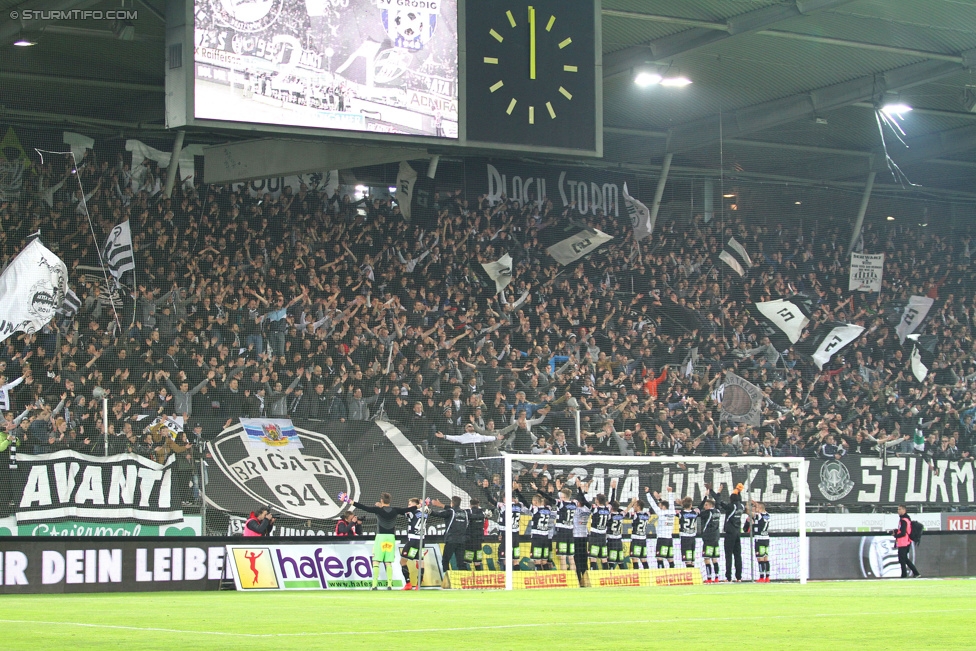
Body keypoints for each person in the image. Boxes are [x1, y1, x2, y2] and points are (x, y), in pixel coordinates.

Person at [339, 491, 408, 590]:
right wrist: (420, 505)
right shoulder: (395, 510)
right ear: (390, 501)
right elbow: (409, 509)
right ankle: (389, 585)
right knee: (388, 562)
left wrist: (348, 500)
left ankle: (374, 585)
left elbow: (363, 507)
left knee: (376, 561)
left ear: (381, 500)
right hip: (391, 538)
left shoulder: (378, 510)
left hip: (381, 537)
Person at [708, 482, 746, 583]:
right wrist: (738, 490)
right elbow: (738, 498)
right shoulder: (741, 506)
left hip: (730, 533)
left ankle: (728, 577)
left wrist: (712, 491)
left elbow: (719, 502)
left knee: (728, 555)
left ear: (731, 499)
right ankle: (739, 577)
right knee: (738, 555)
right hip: (738, 532)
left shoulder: (731, 507)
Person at [429, 495, 470, 573]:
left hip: (451, 540)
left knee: (445, 560)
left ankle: (447, 579)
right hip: (462, 541)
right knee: (461, 563)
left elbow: (438, 514)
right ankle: (465, 580)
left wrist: (428, 511)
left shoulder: (451, 512)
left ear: (452, 503)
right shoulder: (465, 512)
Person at [400, 497, 427, 590]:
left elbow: (404, 511)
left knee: (403, 561)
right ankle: (418, 584)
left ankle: (408, 583)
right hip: (422, 540)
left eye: (410, 504)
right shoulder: (424, 513)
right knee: (420, 562)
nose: (408, 506)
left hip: (412, 540)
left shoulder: (411, 512)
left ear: (415, 505)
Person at [648, 486, 676, 569]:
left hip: (662, 539)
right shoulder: (672, 512)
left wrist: (647, 494)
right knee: (670, 559)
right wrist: (670, 492)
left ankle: (661, 575)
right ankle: (672, 575)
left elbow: (652, 504)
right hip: (669, 539)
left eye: (660, 505)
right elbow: (671, 503)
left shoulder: (661, 513)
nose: (659, 506)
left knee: (659, 558)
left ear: (663, 507)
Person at [552, 486, 578, 573]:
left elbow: (550, 499)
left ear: (563, 496)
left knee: (562, 557)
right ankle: (574, 578)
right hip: (570, 532)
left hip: (562, 532)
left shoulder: (561, 504)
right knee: (571, 557)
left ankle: (566, 578)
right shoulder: (574, 504)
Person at [892, 504, 921, 579]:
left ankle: (905, 574)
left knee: (902, 559)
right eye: (898, 509)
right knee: (904, 558)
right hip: (905, 541)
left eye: (900, 509)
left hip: (903, 542)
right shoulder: (906, 519)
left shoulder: (903, 520)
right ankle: (914, 573)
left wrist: (896, 535)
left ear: (904, 510)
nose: (898, 511)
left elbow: (903, 532)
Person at [698, 494, 722, 583]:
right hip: (716, 538)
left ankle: (708, 578)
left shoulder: (708, 513)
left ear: (711, 505)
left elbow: (697, 512)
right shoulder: (718, 511)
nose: (705, 507)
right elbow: (719, 502)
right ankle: (716, 577)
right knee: (714, 559)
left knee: (707, 558)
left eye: (706, 505)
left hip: (708, 538)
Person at [528, 494, 553, 570]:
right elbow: (550, 501)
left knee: (537, 561)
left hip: (537, 538)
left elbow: (524, 503)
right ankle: (546, 579)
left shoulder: (535, 510)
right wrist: (550, 492)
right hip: (545, 538)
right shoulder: (548, 509)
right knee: (544, 561)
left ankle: (538, 580)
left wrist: (517, 492)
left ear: (535, 502)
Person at [750, 500, 771, 582]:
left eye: (756, 507)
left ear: (760, 508)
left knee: (760, 558)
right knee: (766, 558)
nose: (755, 508)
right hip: (766, 538)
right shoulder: (768, 515)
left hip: (759, 539)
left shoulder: (758, 515)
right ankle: (767, 577)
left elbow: (749, 512)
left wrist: (749, 504)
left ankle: (761, 577)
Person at [464, 498, 487, 571]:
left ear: (470, 505)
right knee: (477, 561)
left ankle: (466, 577)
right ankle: (478, 576)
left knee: (467, 560)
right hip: (479, 539)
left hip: (470, 539)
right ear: (478, 505)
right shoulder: (483, 513)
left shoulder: (468, 512)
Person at [628, 498, 651, 570]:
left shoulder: (635, 515)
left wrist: (631, 503)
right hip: (643, 540)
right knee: (643, 559)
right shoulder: (647, 515)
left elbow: (624, 513)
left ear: (638, 506)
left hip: (636, 540)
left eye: (634, 505)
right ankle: (648, 575)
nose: (633, 507)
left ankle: (637, 575)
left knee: (635, 559)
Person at [677, 496, 699, 569]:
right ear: (691, 505)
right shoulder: (695, 513)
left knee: (687, 558)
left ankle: (690, 575)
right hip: (693, 537)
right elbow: (699, 507)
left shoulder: (681, 513)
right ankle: (693, 575)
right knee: (692, 559)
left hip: (685, 537)